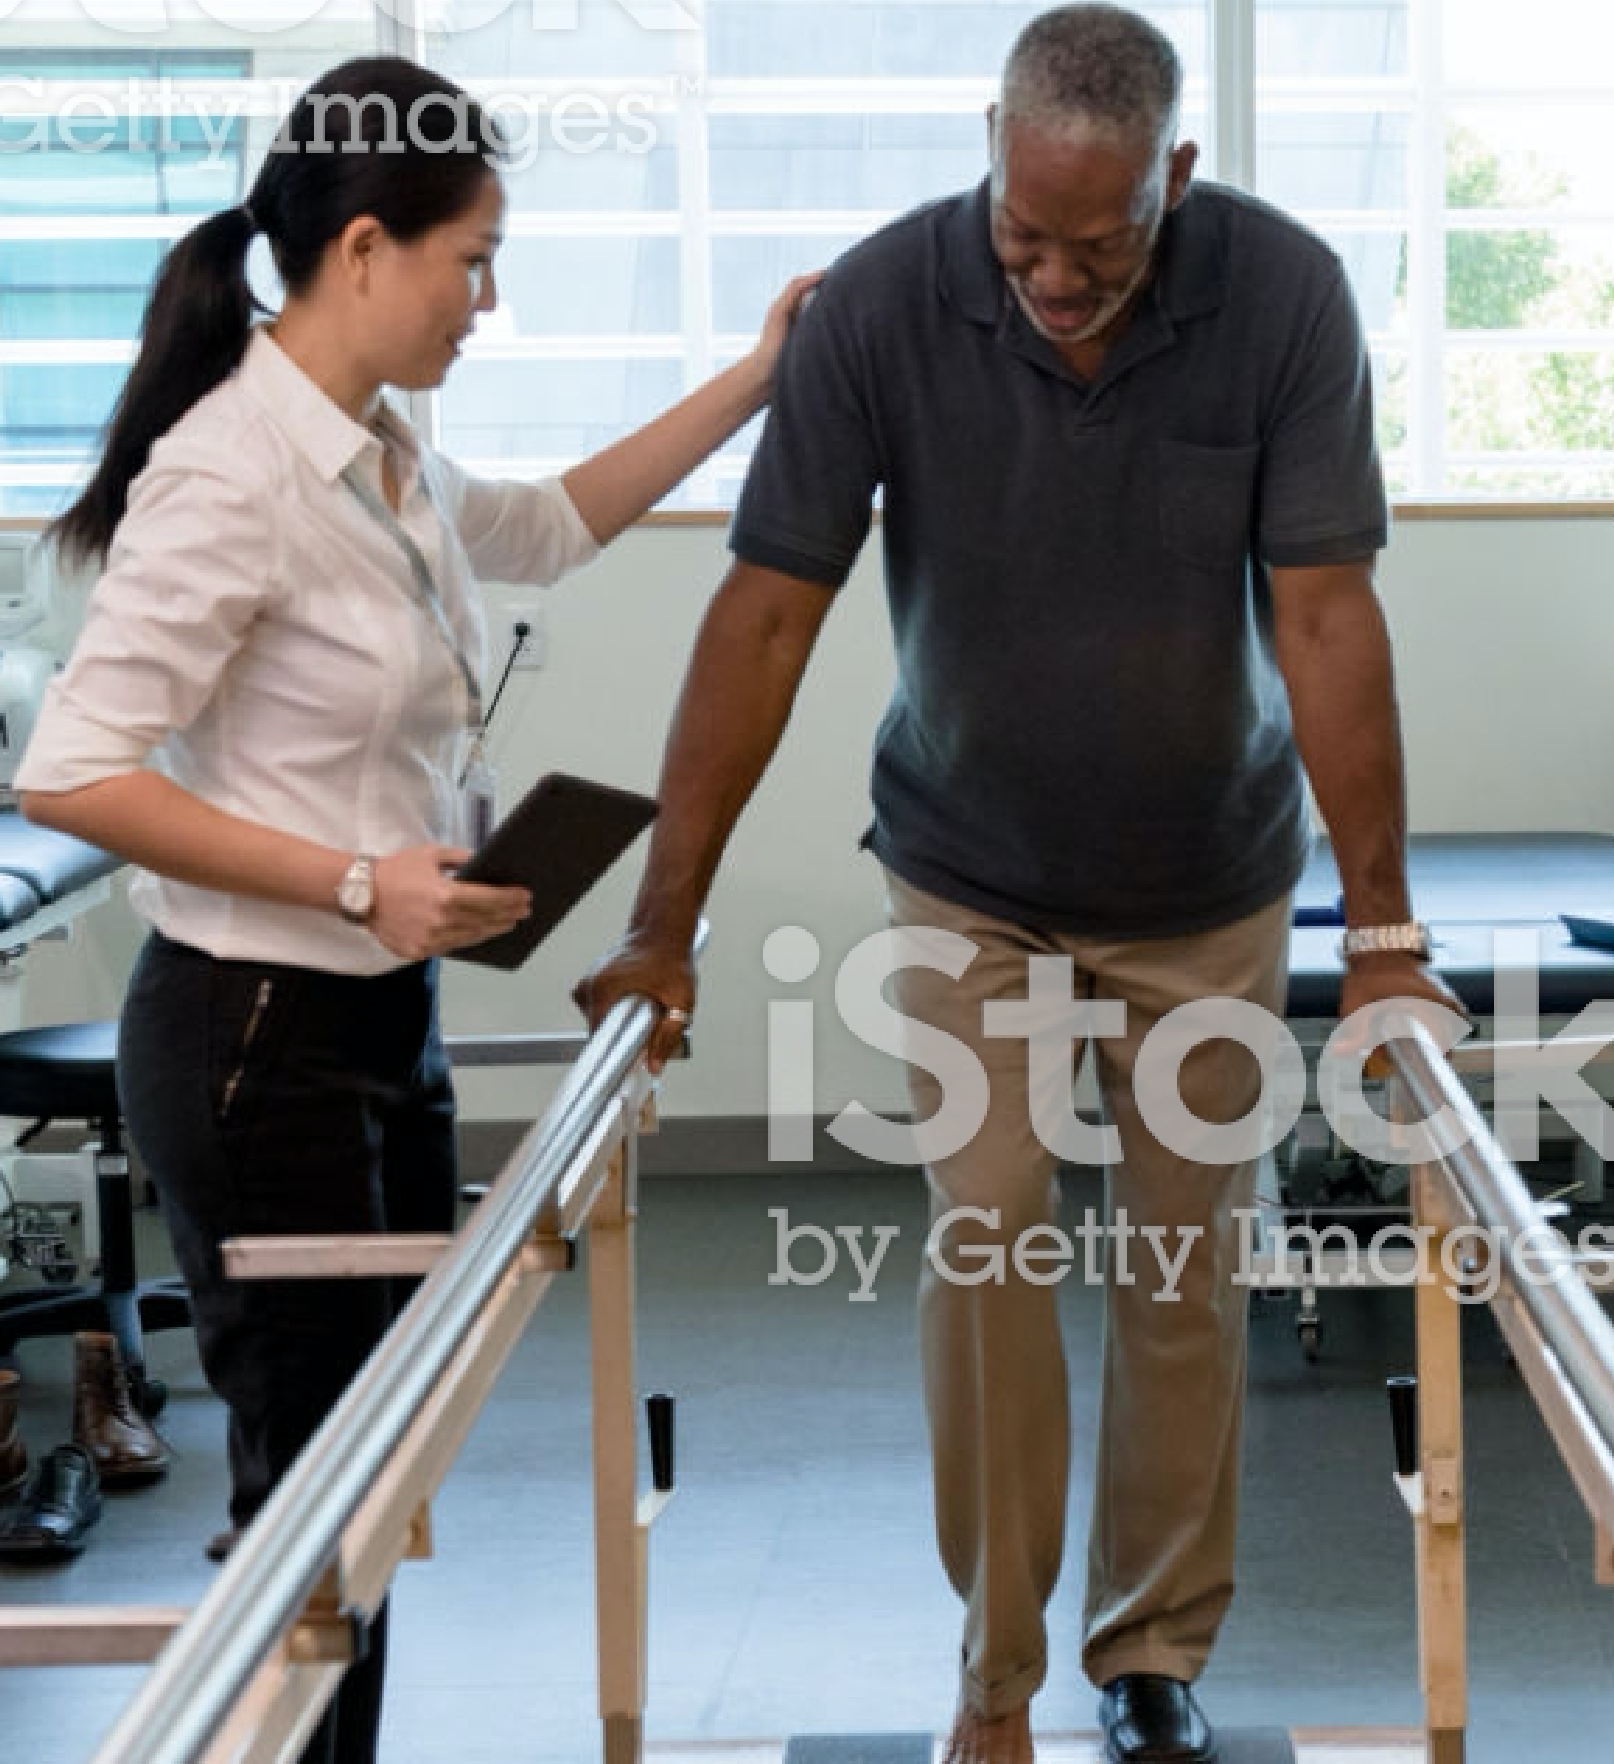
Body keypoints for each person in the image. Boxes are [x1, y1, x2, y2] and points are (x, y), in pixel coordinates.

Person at [576, 8, 1462, 1763]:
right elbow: (764, 617)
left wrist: (1381, 937)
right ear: (986, 148)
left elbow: (1323, 618)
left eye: (1099, 244)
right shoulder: (881, 306)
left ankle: (1148, 1655)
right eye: (1022, 234)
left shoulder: (1283, 296)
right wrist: (658, 928)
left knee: (1181, 1272)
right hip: (967, 873)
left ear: (1174, 180)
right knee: (984, 1240)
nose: (1054, 279)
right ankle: (992, 1669)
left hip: (1206, 881)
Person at [16, 55, 814, 1764]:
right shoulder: (231, 472)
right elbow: (68, 776)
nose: (487, 301)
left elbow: (558, 523)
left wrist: (759, 373)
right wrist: (354, 877)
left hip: (378, 1020)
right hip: (255, 1041)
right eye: (473, 260)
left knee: (371, 1494)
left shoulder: (382, 450)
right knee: (313, 1514)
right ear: (365, 246)